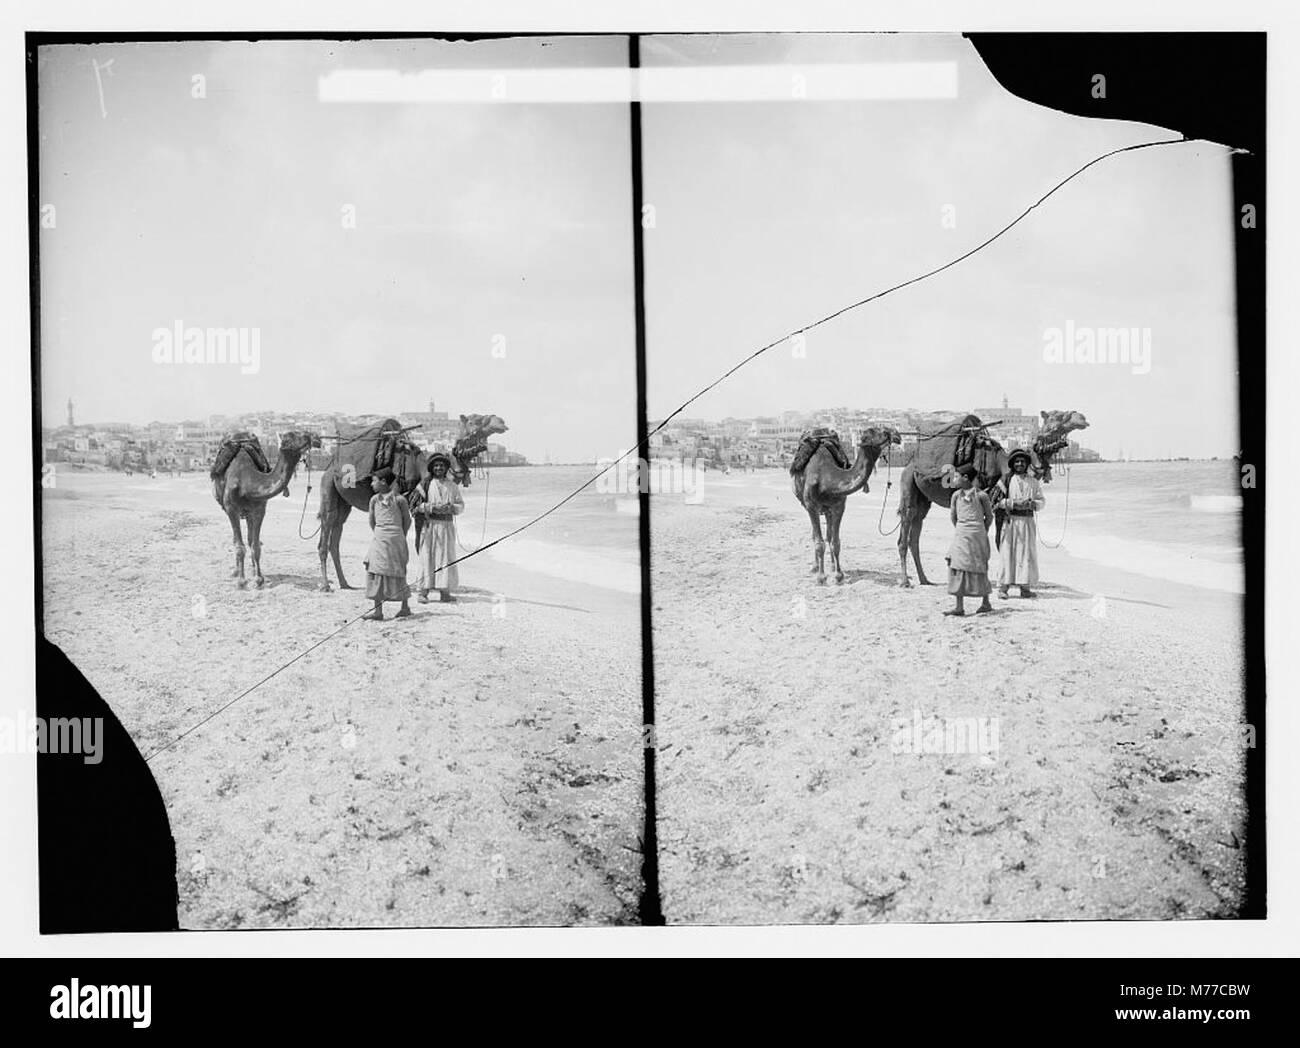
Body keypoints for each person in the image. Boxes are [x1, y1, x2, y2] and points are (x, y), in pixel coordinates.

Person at [943, 464, 994, 616]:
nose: (954, 479)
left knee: (979, 566)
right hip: (960, 535)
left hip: (977, 535)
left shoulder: (982, 496)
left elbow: (989, 517)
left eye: (957, 476)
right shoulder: (955, 496)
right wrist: (961, 529)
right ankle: (959, 607)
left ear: (966, 478)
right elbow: (953, 516)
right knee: (957, 565)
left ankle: (986, 603)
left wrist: (980, 531)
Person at [362, 468, 412, 620]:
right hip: (379, 539)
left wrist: (397, 535)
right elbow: (372, 521)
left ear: (383, 482)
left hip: (396, 540)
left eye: (374, 481)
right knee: (375, 571)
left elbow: (407, 521)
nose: (372, 484)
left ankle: (405, 607)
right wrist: (380, 534)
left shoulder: (400, 500)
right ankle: (378, 612)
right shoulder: (374, 500)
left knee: (398, 571)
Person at [415, 453, 464, 604]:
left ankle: (445, 592)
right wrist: (432, 507)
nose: (438, 468)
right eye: (436, 466)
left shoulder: (453, 486)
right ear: (431, 468)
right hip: (430, 526)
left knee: (446, 557)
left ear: (446, 468)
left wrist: (451, 507)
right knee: (427, 556)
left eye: (441, 466)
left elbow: (461, 506)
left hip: (447, 527)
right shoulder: (424, 485)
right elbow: (415, 506)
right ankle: (423, 592)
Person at [996, 448, 1045, 599]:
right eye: (1017, 461)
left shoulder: (1034, 482)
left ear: (1027, 464)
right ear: (1012, 464)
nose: (1019, 464)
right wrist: (1014, 503)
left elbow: (1042, 501)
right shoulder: (1005, 480)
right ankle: (1003, 588)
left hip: (1028, 522)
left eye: (1022, 461)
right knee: (1008, 552)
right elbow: (996, 501)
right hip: (1011, 522)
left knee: (1026, 554)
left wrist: (1032, 504)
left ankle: (1025, 588)